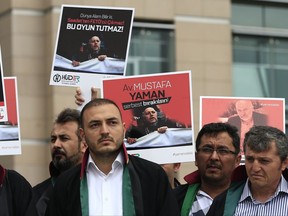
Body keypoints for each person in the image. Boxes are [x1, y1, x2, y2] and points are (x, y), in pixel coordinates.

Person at [45, 98, 180, 216]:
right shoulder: (66, 183)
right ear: (82, 134)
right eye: (95, 125)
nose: (104, 131)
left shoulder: (152, 176)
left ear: (123, 129)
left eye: (112, 122)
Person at [206, 125, 288, 216]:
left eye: (264, 161)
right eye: (250, 159)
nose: (255, 168)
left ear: (284, 163)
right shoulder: (223, 202)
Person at [26, 108, 87, 216]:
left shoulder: (99, 186)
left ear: (84, 144)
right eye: (53, 139)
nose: (56, 145)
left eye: (64, 138)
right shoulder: (37, 195)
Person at [173, 122, 241, 216]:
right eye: (207, 150)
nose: (214, 157)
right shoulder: (175, 198)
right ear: (196, 158)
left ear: (237, 160)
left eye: (223, 151)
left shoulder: (248, 197)